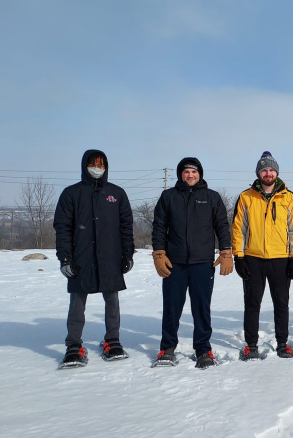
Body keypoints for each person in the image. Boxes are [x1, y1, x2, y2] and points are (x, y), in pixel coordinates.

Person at [53, 150, 134, 368]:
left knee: (112, 300)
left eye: (101, 164)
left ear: (106, 166)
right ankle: (74, 345)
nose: (96, 167)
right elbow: (62, 228)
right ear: (85, 165)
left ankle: (112, 340)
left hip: (110, 256)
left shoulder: (116, 193)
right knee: (77, 303)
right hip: (81, 257)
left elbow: (126, 226)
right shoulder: (72, 193)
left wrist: (127, 253)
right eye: (93, 163)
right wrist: (65, 258)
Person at [151, 157, 232, 369]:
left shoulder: (212, 197)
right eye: (186, 172)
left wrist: (225, 252)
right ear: (180, 174)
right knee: (171, 308)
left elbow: (222, 226)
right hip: (174, 264)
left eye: (194, 172)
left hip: (202, 264)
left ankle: (203, 349)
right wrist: (159, 253)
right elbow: (159, 226)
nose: (190, 175)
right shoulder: (168, 196)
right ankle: (167, 348)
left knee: (201, 309)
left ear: (200, 174)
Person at [232, 151, 293, 360]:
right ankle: (251, 345)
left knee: (281, 302)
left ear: (276, 173)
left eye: (272, 169)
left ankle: (283, 343)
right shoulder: (246, 197)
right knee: (252, 302)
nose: (268, 173)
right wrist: (239, 256)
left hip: (281, 258)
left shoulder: (288, 197)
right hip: (253, 258)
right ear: (259, 173)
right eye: (264, 169)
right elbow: (238, 229)